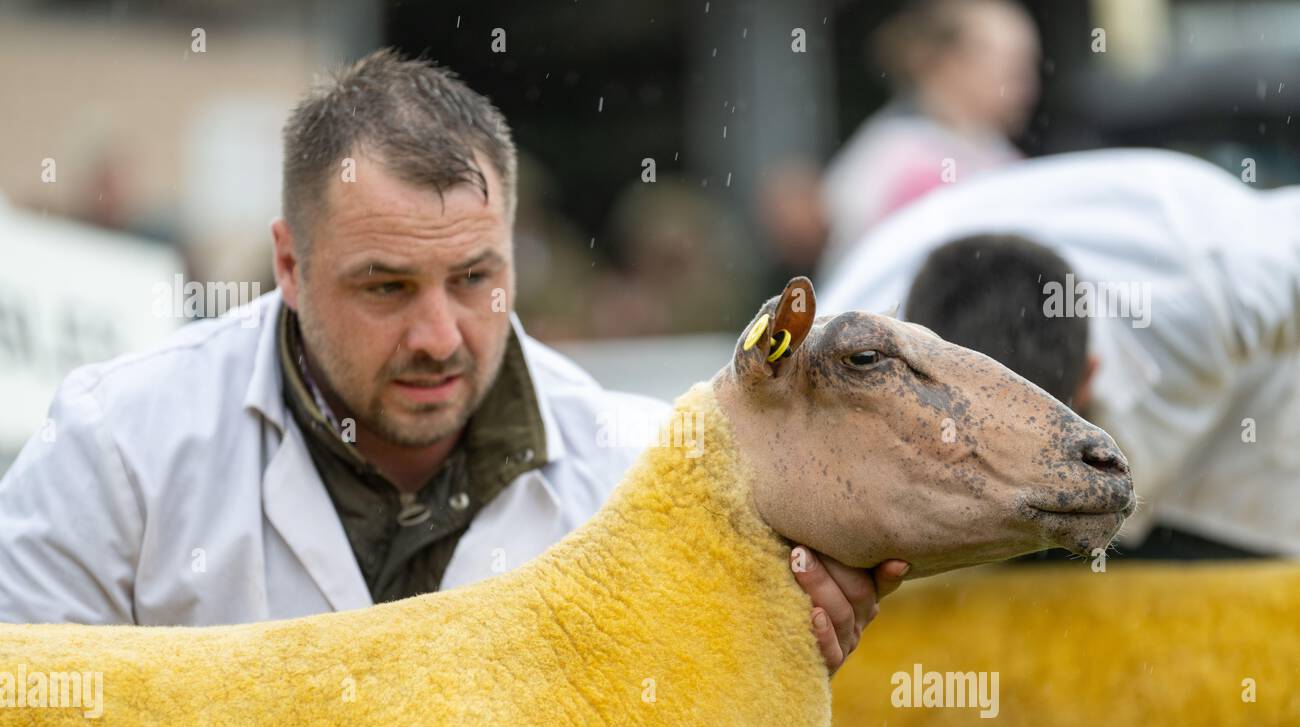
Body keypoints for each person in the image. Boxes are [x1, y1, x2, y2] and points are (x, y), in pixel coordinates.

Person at [0, 49, 905, 674]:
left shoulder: (638, 473)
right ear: (288, 266)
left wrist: (776, 644)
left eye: (475, 277)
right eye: (386, 287)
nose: (440, 335)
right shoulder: (116, 450)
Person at [821, 148, 1300, 558]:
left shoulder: (1217, 271)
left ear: (1089, 375)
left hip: (1240, 461)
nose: (1008, 478)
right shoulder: (838, 363)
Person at [819, 0, 1039, 272]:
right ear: (951, 65)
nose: (1029, 87)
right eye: (1014, 72)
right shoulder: (888, 157)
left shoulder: (1004, 159)